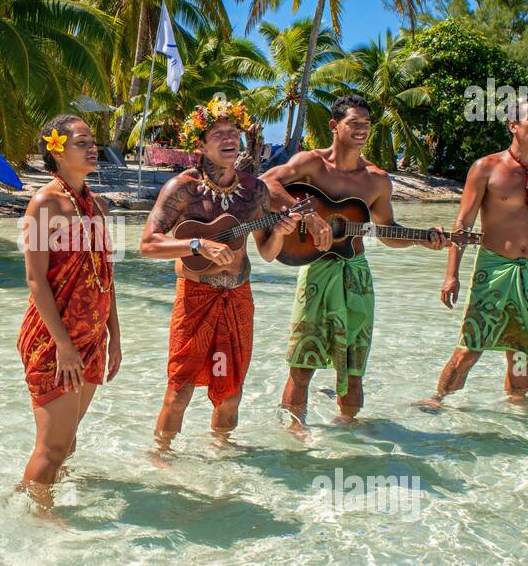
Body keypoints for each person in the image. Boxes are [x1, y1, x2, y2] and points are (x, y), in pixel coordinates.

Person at [262, 94, 447, 429]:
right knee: (302, 363)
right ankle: (294, 433)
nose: (362, 129)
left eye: (367, 124)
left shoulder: (376, 179)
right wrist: (308, 216)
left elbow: (388, 231)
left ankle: (346, 432)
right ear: (334, 126)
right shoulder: (311, 163)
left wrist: (423, 240)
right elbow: (266, 183)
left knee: (354, 365)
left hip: (357, 275)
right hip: (317, 271)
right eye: (354, 123)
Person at [141, 98, 316, 444]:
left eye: (233, 132)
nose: (228, 138)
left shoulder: (255, 192)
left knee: (231, 391)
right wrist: (196, 245)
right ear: (200, 144)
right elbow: (148, 244)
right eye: (218, 133)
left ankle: (222, 458)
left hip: (237, 300)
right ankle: (161, 455)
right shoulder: (182, 189)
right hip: (194, 301)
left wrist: (280, 233)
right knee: (180, 391)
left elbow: (267, 252)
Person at [424, 98, 528, 406]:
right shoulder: (486, 168)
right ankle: (438, 398)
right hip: (494, 269)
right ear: (514, 126)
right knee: (471, 346)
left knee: (523, 353)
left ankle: (517, 408)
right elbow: (464, 224)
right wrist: (451, 275)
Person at [17, 116, 120, 505]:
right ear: (56, 150)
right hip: (54, 340)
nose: (92, 148)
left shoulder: (99, 206)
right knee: (52, 448)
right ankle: (37, 518)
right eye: (81, 142)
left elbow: (106, 277)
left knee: (68, 441)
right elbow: (35, 279)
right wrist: (63, 346)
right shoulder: (45, 203)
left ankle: (31, 499)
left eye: (93, 140)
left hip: (93, 338)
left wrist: (115, 338)